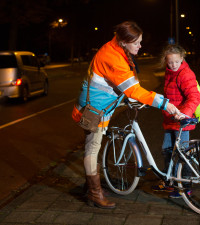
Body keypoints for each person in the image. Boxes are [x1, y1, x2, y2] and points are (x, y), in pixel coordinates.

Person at [72, 21, 183, 209]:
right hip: (94, 110)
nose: (140, 46)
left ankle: (89, 187)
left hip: (102, 106)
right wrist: (165, 104)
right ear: (124, 41)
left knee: (95, 147)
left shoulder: (116, 49)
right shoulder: (112, 57)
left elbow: (123, 83)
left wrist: (131, 97)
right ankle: (94, 193)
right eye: (137, 42)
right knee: (92, 148)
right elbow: (133, 89)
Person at [151, 44, 200, 198]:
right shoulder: (169, 73)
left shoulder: (185, 74)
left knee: (182, 154)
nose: (172, 65)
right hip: (170, 120)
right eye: (169, 62)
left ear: (182, 59)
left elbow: (194, 97)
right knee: (167, 151)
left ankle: (185, 186)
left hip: (182, 122)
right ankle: (170, 181)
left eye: (176, 62)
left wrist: (184, 113)